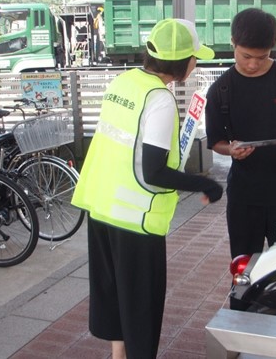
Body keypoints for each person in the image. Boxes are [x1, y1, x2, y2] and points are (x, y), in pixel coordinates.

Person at [72, 18, 223, 359]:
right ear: (182, 62)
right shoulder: (160, 99)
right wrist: (205, 184)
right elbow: (154, 171)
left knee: (112, 293)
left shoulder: (124, 81)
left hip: (101, 205)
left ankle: (117, 356)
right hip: (135, 219)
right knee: (141, 305)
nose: (195, 63)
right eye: (194, 57)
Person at [205, 8, 276, 308]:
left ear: (273, 49)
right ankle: (242, 327)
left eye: (261, 56)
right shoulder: (221, 89)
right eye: (245, 56)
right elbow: (215, 140)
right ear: (233, 44)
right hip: (245, 196)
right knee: (244, 269)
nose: (253, 64)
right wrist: (231, 150)